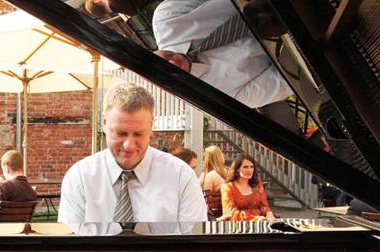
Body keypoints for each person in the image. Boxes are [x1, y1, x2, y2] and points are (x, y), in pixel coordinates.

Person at [58, 83, 206, 226]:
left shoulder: (180, 177)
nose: (129, 145)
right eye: (121, 133)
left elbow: (194, 245)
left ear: (151, 125)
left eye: (138, 134)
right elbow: (67, 246)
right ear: (104, 123)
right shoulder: (80, 178)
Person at [152, 0, 293, 111]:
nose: (172, 64)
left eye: (159, 63)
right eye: (168, 75)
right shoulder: (220, 97)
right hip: (293, 36)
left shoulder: (166, 18)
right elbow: (287, 80)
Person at [221, 153, 275, 221]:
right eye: (245, 167)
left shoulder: (257, 184)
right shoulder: (228, 187)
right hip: (237, 226)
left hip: (260, 223)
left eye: (251, 167)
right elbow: (231, 214)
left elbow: (264, 206)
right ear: (237, 169)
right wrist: (255, 218)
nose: (249, 170)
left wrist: (268, 213)